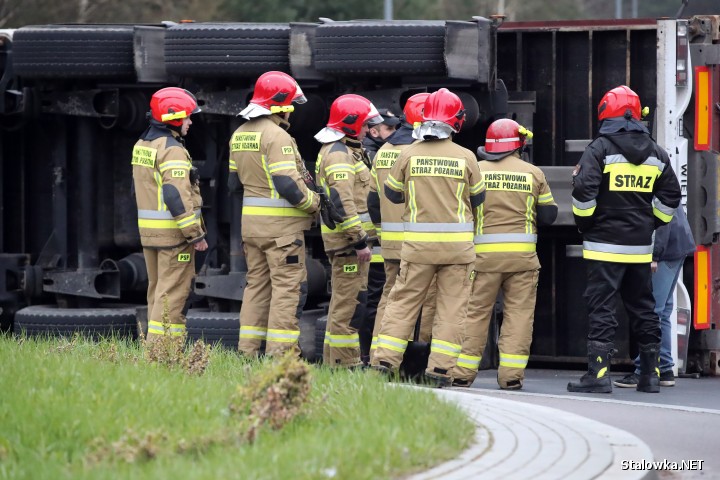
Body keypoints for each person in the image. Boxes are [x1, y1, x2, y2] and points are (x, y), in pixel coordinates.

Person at [567, 85, 681, 394]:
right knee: (644, 309)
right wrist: (650, 222)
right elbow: (671, 197)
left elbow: (583, 193)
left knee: (602, 308)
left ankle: (598, 376)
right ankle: (651, 376)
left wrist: (586, 225)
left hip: (603, 247)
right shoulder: (657, 152)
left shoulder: (599, 148)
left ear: (606, 113)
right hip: (640, 249)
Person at [371, 88, 486, 387]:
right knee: (451, 309)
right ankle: (440, 371)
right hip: (457, 252)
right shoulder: (466, 157)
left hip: (418, 248)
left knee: (402, 303)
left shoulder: (408, 153)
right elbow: (478, 199)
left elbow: (392, 194)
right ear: (456, 121)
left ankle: (384, 362)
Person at [451, 118, 558, 390]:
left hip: (481, 258)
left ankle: (462, 373)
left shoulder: (475, 170)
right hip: (522, 259)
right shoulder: (533, 173)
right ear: (518, 145)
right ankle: (510, 376)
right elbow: (548, 216)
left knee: (474, 313)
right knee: (519, 315)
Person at [230, 71, 320, 357]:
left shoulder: (239, 134)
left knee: (256, 286)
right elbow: (287, 185)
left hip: (251, 229)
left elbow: (233, 185)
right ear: (281, 105)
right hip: (281, 232)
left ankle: (247, 351)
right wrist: (314, 204)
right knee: (286, 289)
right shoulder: (277, 136)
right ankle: (281, 355)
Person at [132, 87, 208, 344]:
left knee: (156, 292)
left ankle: (153, 356)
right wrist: (195, 234)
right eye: (187, 117)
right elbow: (175, 195)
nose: (190, 121)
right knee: (173, 296)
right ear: (173, 117)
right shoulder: (172, 149)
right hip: (174, 236)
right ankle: (164, 355)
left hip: (150, 234)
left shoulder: (142, 144)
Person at [366, 92, 437, 362]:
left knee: (389, 297)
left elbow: (373, 201)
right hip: (418, 242)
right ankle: (418, 361)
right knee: (425, 300)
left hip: (391, 241)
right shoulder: (418, 152)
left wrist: (384, 233)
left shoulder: (384, 150)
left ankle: (378, 354)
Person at [315, 94, 383, 368]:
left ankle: (336, 362)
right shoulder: (339, 155)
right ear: (352, 124)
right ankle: (346, 364)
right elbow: (342, 203)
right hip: (348, 245)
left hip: (347, 243)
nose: (368, 130)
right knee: (350, 306)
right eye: (365, 125)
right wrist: (359, 241)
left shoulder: (344, 150)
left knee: (344, 303)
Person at [614, 205, 695, 388]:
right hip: (676, 245)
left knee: (652, 311)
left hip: (665, 250)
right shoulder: (663, 176)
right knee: (664, 310)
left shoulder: (653, 178)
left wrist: (654, 254)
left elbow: (661, 220)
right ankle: (665, 368)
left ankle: (644, 368)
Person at [360, 106, 401, 364]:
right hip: (376, 241)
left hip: (377, 239)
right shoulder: (375, 154)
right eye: (389, 128)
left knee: (376, 299)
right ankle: (371, 355)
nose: (394, 132)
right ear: (374, 131)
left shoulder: (373, 154)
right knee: (376, 300)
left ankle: (370, 355)